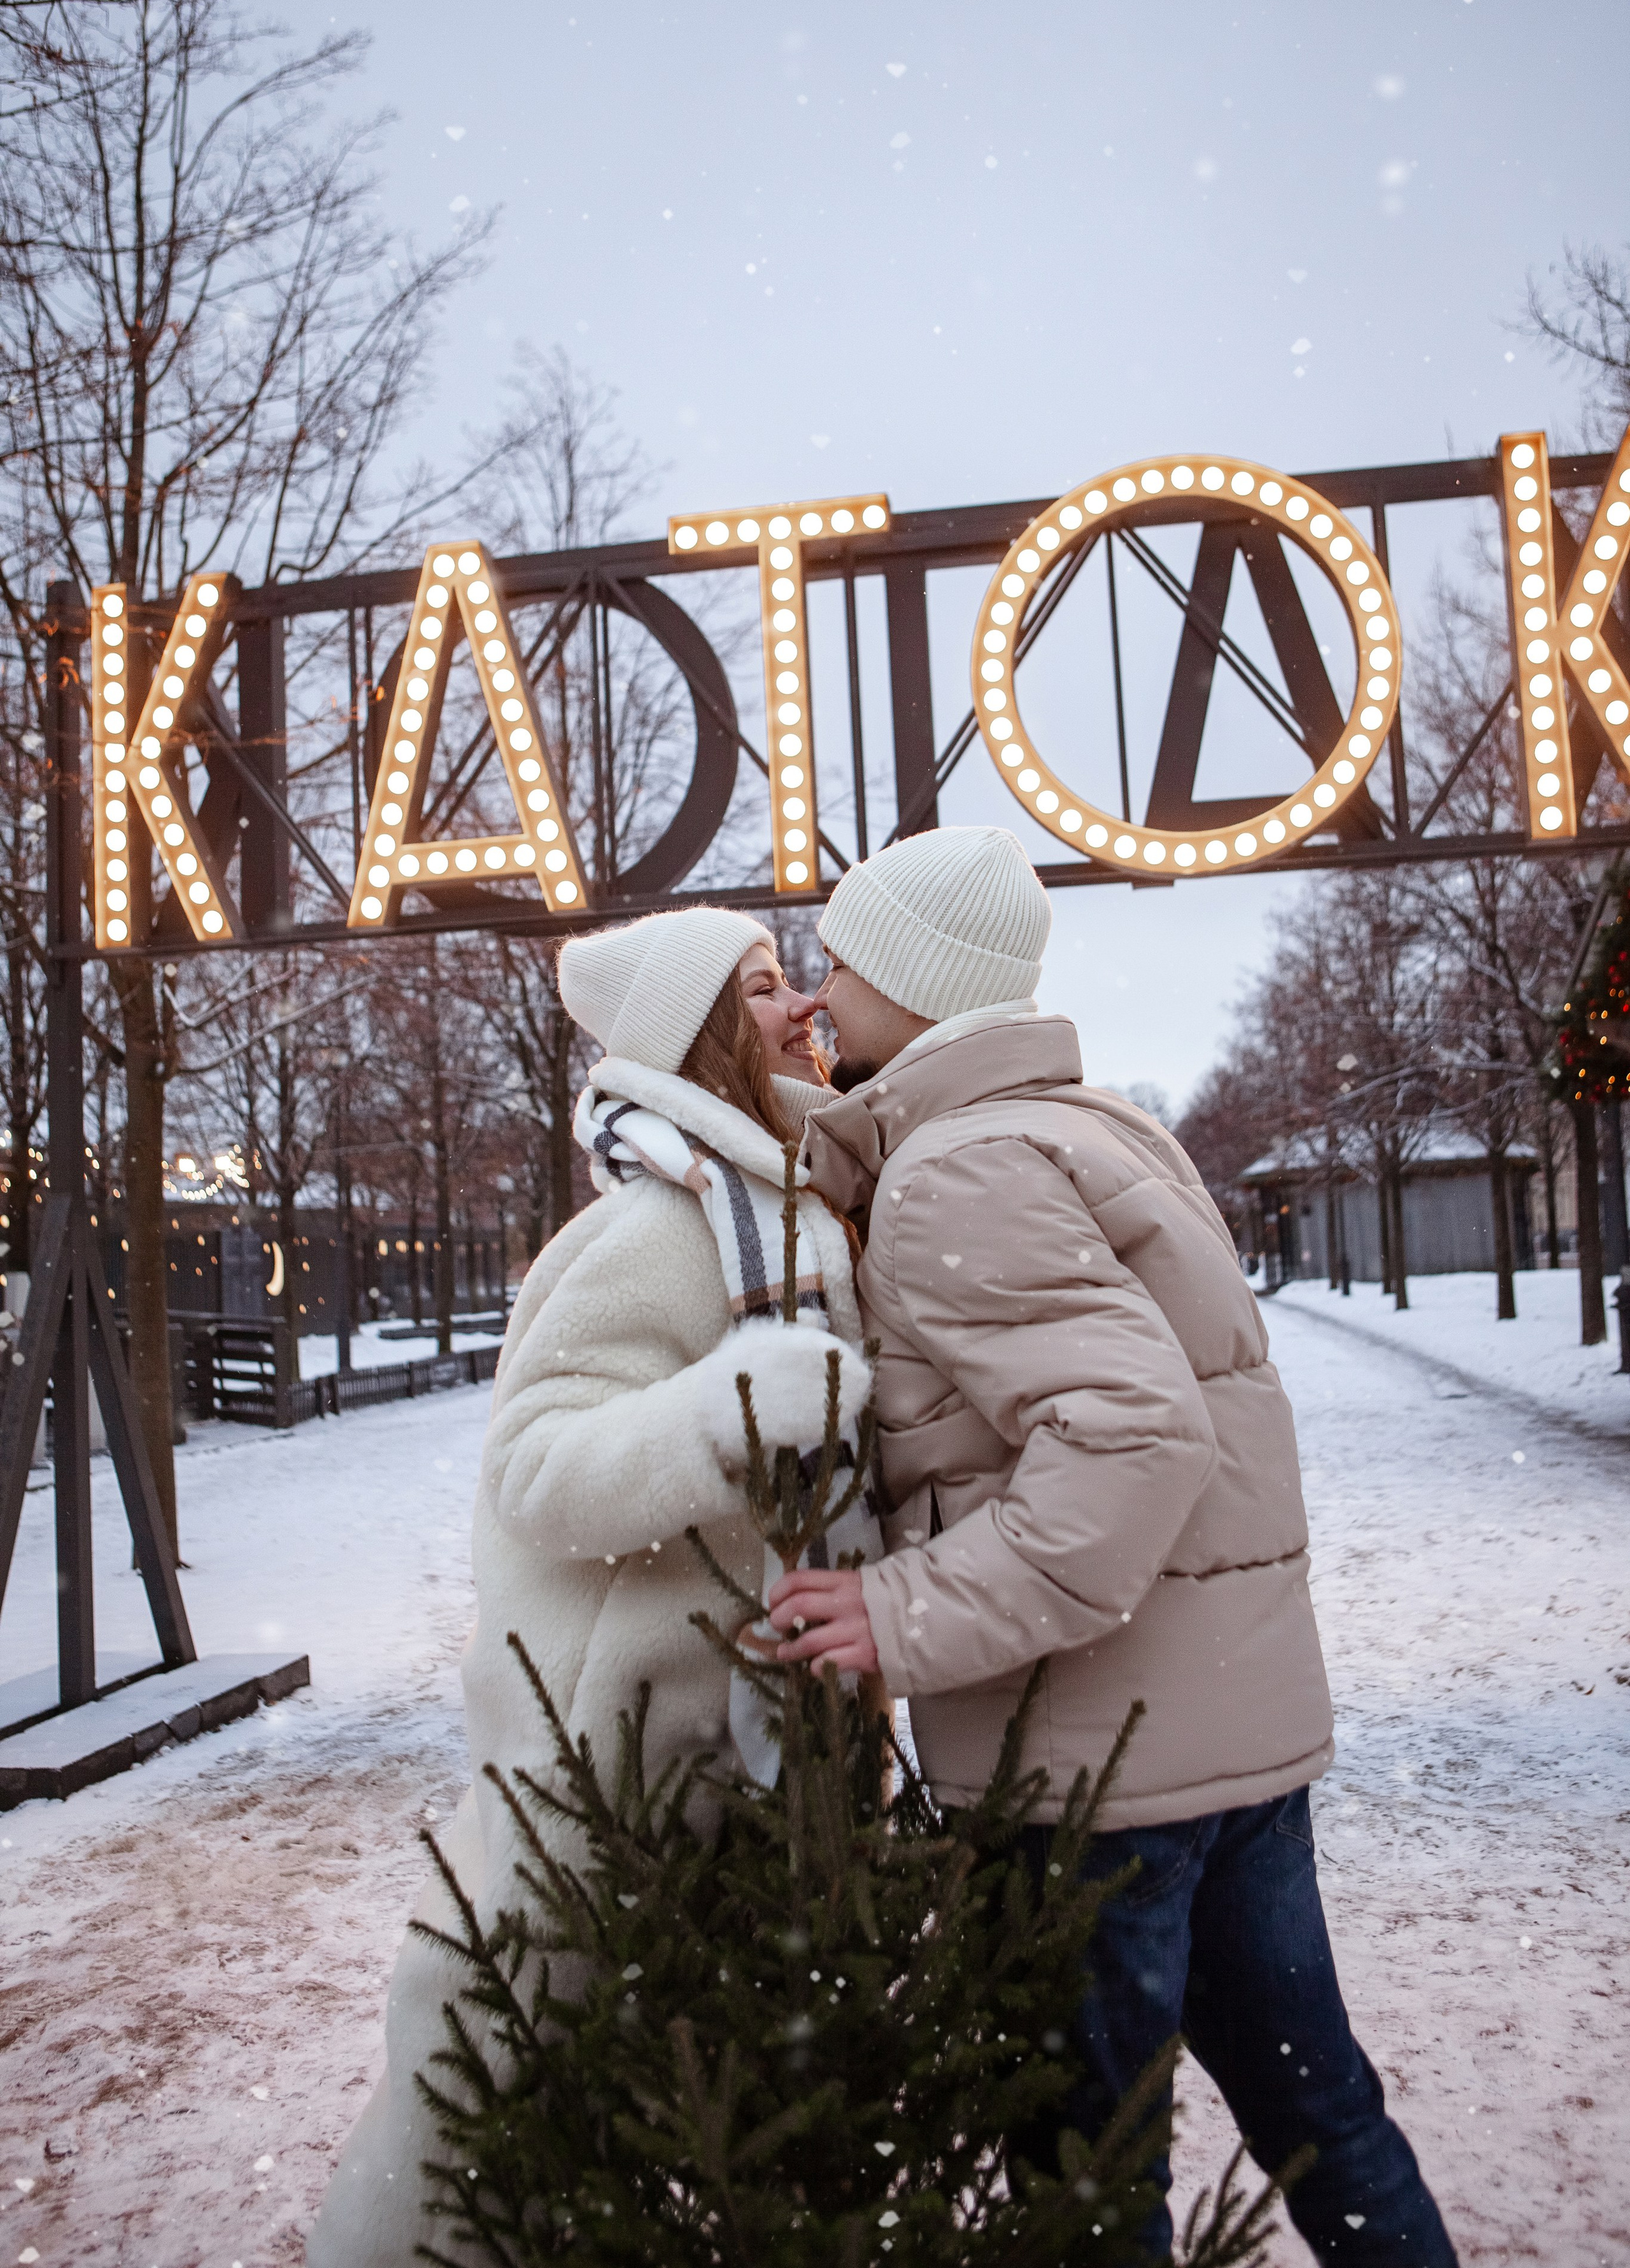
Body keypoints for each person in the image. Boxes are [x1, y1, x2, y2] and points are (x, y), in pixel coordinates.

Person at [768, 825, 1457, 2266]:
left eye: (840, 961)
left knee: (1085, 2187)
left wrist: (902, 1610)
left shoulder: (958, 1171)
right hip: (1228, 1740)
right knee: (1321, 2114)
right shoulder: (1095, 1128)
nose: (818, 993)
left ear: (913, 981)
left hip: (1091, 1777)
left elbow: (1135, 1438)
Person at [309, 908, 872, 2268]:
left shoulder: (789, 1210)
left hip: (724, 1759)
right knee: (484, 2095)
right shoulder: (656, 1232)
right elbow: (535, 1472)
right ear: (700, 1034)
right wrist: (733, 1411)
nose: (802, 1005)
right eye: (763, 988)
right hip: (605, 1770)